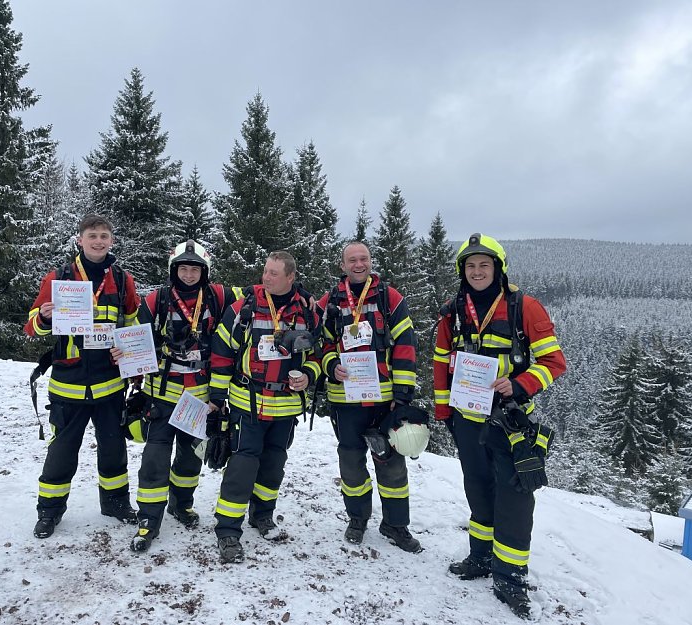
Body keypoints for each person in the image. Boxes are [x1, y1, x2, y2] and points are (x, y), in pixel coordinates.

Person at [433, 233, 566, 618]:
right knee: (477, 487)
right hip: (466, 418)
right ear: (463, 271)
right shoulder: (453, 311)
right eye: (471, 266)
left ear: (498, 268)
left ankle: (510, 575)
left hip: (508, 419)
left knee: (515, 497)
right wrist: (445, 415)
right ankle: (480, 557)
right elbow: (442, 363)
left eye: (484, 265)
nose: (477, 272)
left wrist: (520, 383)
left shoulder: (525, 307)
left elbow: (555, 363)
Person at [24, 214, 140, 539]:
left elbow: (133, 324)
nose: (99, 241)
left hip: (110, 386)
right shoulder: (58, 277)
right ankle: (49, 511)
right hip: (68, 386)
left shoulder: (122, 279)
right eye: (93, 235)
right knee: (61, 454)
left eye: (104, 235)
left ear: (112, 241)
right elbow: (31, 326)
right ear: (80, 239)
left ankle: (116, 503)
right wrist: (45, 318)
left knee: (113, 449)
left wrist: (127, 350)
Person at [126, 240, 241, 552]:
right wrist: (125, 355)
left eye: (195, 269)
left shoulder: (219, 296)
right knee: (154, 459)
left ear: (204, 272)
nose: (189, 274)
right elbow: (135, 335)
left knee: (191, 459)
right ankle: (149, 518)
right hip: (161, 396)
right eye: (183, 268)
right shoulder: (157, 299)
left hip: (200, 398)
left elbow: (259, 297)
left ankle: (181, 505)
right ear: (173, 270)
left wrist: (305, 300)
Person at [208, 251, 320, 563]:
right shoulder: (244, 307)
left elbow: (317, 355)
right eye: (265, 272)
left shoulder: (308, 313)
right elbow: (221, 353)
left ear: (290, 278)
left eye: (273, 274)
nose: (266, 278)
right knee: (243, 465)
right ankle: (228, 530)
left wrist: (308, 375)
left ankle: (263, 516)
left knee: (273, 464)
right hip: (248, 401)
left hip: (285, 405)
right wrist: (217, 399)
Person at [317, 241, 423, 553]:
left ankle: (395, 524)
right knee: (351, 463)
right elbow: (319, 345)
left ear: (370, 262)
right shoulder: (330, 302)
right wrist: (331, 364)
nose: (358, 264)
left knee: (391, 463)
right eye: (352, 259)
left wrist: (402, 396)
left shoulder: (390, 299)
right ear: (343, 265)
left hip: (383, 399)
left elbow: (405, 345)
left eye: (363, 258)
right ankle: (357, 519)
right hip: (345, 400)